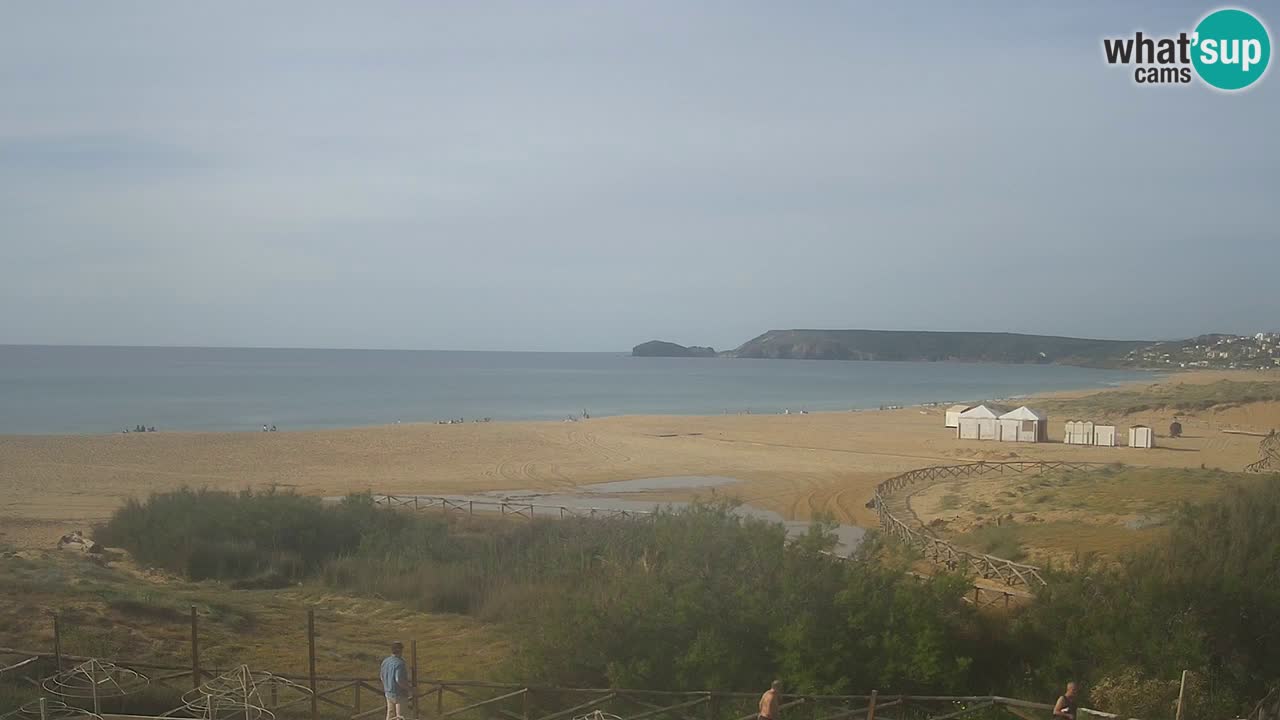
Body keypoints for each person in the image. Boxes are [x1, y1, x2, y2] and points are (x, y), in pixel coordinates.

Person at [381, 642, 412, 720]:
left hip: (388, 692)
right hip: (399, 694)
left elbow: (382, 676)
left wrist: (386, 687)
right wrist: (410, 688)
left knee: (390, 715)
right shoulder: (400, 663)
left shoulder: (385, 661)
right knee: (400, 716)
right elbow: (399, 680)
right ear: (400, 650)